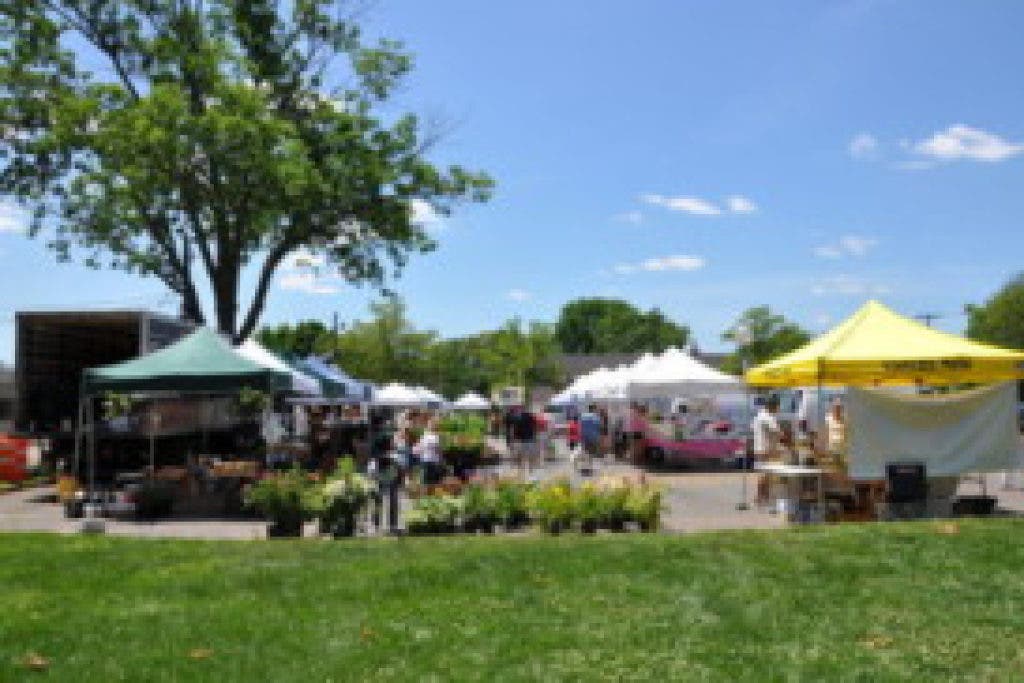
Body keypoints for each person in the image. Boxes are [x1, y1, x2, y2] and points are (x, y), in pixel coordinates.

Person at [752, 396, 783, 507]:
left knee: (766, 473)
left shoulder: (759, 415)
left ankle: (764, 496)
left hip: (760, 448)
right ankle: (760, 497)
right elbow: (778, 432)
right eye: (777, 407)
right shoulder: (768, 417)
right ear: (772, 406)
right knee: (765, 474)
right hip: (766, 449)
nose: (778, 409)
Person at [414, 419, 444, 488]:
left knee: (430, 480)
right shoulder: (426, 436)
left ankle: (428, 494)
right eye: (431, 425)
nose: (432, 426)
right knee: (428, 480)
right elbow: (418, 447)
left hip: (430, 460)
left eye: (432, 425)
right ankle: (427, 494)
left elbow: (439, 450)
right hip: (427, 460)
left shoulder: (434, 437)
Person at [579, 404, 602, 475]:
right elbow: (598, 427)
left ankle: (584, 467)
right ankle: (589, 467)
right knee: (591, 453)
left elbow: (580, 426)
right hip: (593, 437)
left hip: (584, 436)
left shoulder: (583, 416)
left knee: (585, 452)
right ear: (594, 409)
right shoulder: (596, 417)